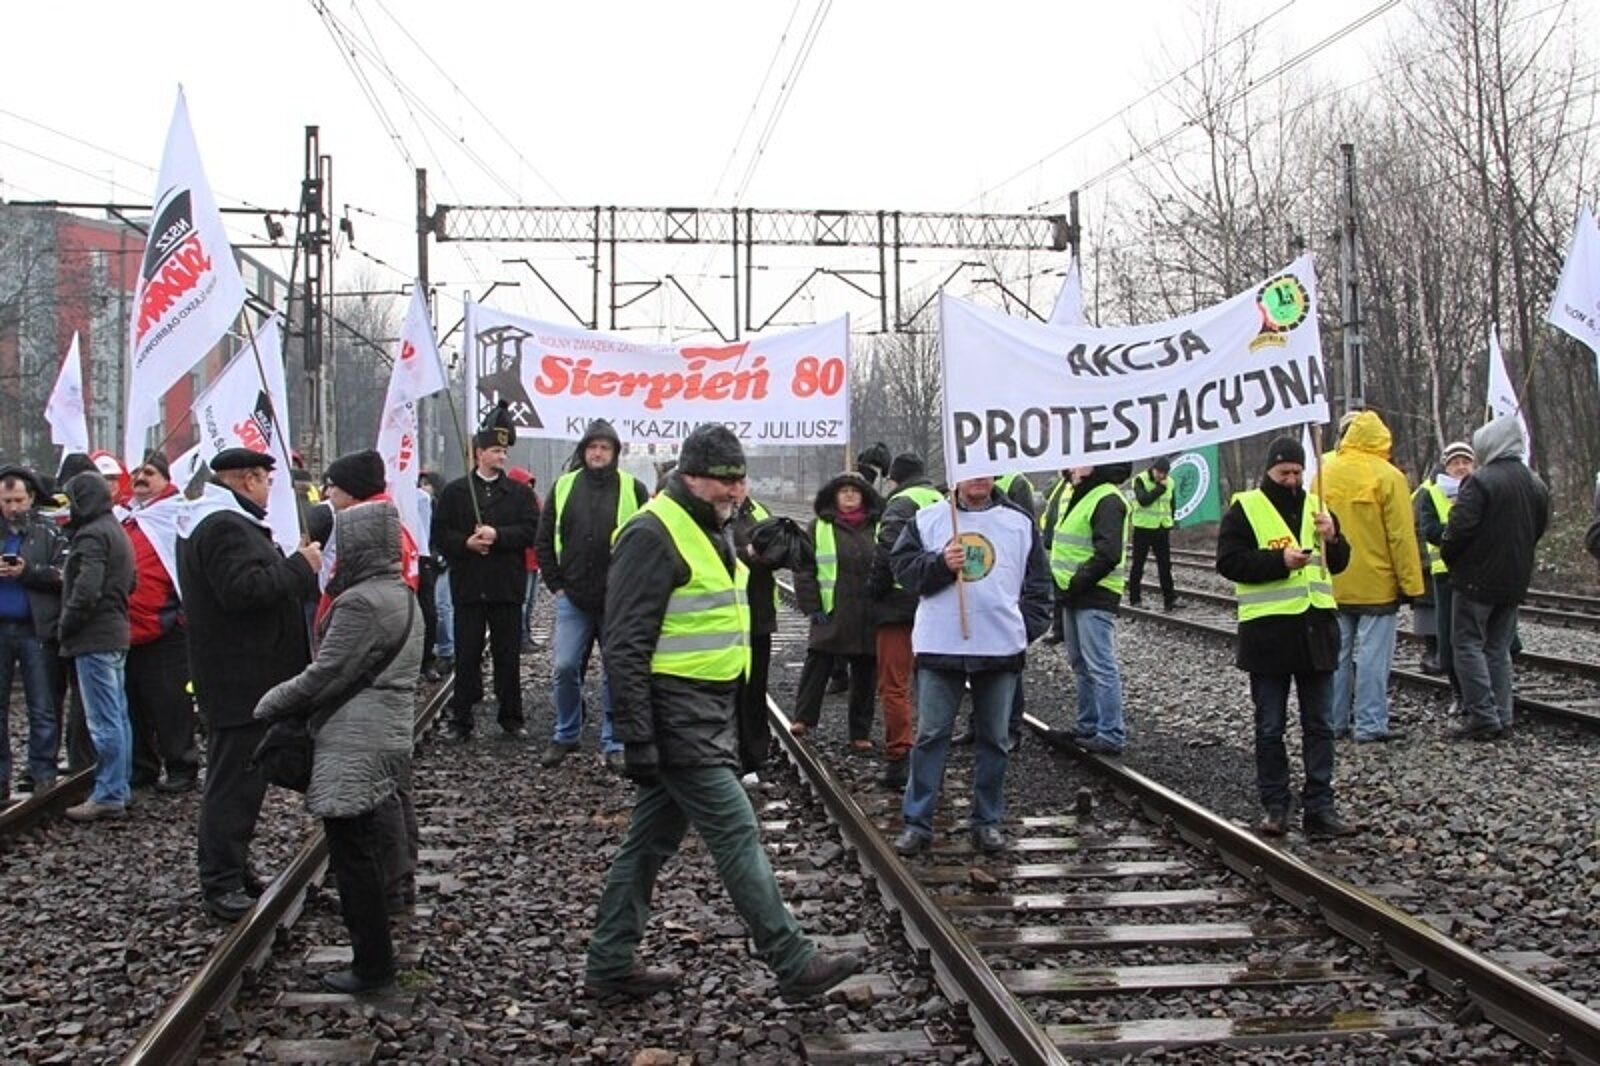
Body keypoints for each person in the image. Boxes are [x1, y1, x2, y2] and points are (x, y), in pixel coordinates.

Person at [587, 423, 861, 1000]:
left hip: (707, 712)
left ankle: (609, 962)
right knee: (737, 830)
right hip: (675, 715)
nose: (736, 490)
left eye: (741, 478)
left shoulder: (711, 526)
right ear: (690, 476)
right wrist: (637, 737)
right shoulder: (651, 532)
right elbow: (624, 643)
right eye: (725, 480)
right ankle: (792, 960)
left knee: (648, 844)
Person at [254, 495, 421, 993]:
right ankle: (375, 959)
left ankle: (372, 967)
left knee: (353, 854)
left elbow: (326, 673)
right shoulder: (400, 594)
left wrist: (270, 702)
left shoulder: (361, 602)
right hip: (382, 729)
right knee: (364, 843)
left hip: (354, 736)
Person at [179, 447, 322, 921]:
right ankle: (220, 881)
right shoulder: (224, 527)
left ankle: (233, 868)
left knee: (244, 780)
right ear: (247, 479)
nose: (268, 491)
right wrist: (299, 566)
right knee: (232, 783)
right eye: (265, 481)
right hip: (240, 679)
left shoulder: (224, 523)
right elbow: (244, 592)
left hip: (244, 677)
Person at [888, 474, 1051, 855]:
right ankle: (917, 822)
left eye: (984, 471)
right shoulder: (928, 520)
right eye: (970, 472)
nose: (978, 479)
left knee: (994, 739)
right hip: (940, 646)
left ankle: (987, 821)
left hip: (999, 649)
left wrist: (1022, 629)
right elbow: (904, 571)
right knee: (931, 736)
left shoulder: (1019, 523)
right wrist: (940, 564)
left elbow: (1039, 587)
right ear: (956, 477)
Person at [1215, 435, 1356, 838]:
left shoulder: (1318, 507)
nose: (1292, 480)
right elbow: (1229, 562)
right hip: (1268, 636)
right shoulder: (1246, 508)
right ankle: (1276, 806)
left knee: (1320, 725)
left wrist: (1334, 538)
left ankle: (1320, 807)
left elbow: (1339, 563)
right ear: (1269, 471)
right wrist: (1279, 561)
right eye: (1284, 473)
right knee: (1269, 727)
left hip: (1316, 633)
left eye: (1297, 472)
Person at [534, 418, 648, 769]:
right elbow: (544, 539)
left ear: (615, 453)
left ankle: (614, 741)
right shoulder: (564, 486)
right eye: (593, 447)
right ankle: (566, 733)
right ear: (584, 451)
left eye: (604, 448)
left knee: (616, 670)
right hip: (574, 597)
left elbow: (649, 540)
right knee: (565, 666)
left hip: (617, 600)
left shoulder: (634, 488)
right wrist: (556, 584)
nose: (598, 453)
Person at [432, 404, 540, 742]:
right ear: (479, 453)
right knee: (467, 655)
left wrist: (498, 535)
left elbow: (531, 531)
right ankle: (461, 720)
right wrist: (465, 543)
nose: (501, 457)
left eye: (504, 451)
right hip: (469, 584)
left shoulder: (520, 493)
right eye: (495, 450)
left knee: (508, 656)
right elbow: (441, 533)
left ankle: (511, 717)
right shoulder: (455, 492)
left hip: (505, 585)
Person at [1318, 410, 1424, 743]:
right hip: (1378, 585)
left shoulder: (1323, 471)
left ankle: (1332, 722)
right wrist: (1411, 585)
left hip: (1333, 582)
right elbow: (1401, 536)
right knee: (1373, 660)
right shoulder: (1389, 477)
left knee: (1335, 657)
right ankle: (1370, 724)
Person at [1442, 415, 1549, 740]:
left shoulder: (1479, 481)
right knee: (1498, 648)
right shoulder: (1535, 483)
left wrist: (1452, 557)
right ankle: (1503, 714)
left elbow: (1459, 529)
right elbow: (1539, 527)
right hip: (1515, 578)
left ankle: (1483, 716)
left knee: (1467, 645)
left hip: (1476, 578)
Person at [58, 470, 137, 821]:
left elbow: (87, 589)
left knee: (104, 721)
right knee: (118, 716)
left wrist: (67, 623)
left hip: (94, 636)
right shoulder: (116, 530)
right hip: (116, 631)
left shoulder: (91, 535)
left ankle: (109, 792)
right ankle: (119, 786)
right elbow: (131, 582)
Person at [123, 451, 199, 793]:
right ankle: (142, 767)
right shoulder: (125, 516)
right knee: (133, 703)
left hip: (165, 626)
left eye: (150, 472)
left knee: (170, 703)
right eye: (137, 472)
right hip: (127, 628)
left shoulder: (177, 514)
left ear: (166, 479)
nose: (141, 478)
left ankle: (181, 765)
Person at [789, 471, 884, 748]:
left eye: (855, 491)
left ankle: (860, 733)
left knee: (865, 672)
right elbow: (803, 568)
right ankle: (803, 718)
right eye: (844, 491)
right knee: (817, 663)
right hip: (832, 611)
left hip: (867, 613)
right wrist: (812, 605)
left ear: (865, 496)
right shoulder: (819, 527)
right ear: (833, 497)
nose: (850, 495)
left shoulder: (878, 527)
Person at [867, 452, 942, 789]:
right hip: (936, 602)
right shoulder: (940, 499)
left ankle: (900, 758)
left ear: (894, 479)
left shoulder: (900, 502)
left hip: (899, 605)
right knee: (933, 683)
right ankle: (931, 756)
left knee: (894, 685)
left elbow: (888, 550)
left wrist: (875, 590)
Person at [1051, 462, 1132, 754]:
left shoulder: (1106, 498)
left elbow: (1108, 553)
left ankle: (1110, 733)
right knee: (1081, 663)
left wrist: (1077, 582)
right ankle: (1088, 725)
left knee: (1099, 666)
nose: (1072, 465)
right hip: (1074, 592)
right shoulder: (1083, 492)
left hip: (1093, 593)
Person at [0, 465, 65, 802]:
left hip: (35, 629)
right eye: (6, 501)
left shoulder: (49, 531)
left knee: (42, 705)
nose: (13, 507)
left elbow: (64, 574)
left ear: (31, 498)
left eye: (18, 500)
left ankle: (43, 773)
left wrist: (29, 572)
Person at [1412, 442, 1475, 702]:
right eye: (1455, 462)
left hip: (1477, 574)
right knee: (1449, 637)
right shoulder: (1431, 492)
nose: (1461, 467)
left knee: (1478, 637)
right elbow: (1429, 530)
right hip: (1444, 575)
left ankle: (1480, 694)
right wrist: (1458, 535)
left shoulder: (1483, 488)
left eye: (1465, 462)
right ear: (1446, 466)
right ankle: (1459, 692)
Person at [728, 479, 780, 785]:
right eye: (731, 482)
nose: (736, 488)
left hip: (758, 614)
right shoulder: (710, 514)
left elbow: (776, 552)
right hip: (725, 617)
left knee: (755, 689)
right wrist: (746, 553)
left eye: (741, 482)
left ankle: (755, 756)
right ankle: (730, 753)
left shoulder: (760, 512)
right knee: (728, 689)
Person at [1127, 457, 1178, 610]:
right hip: (1143, 528)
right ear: (1153, 469)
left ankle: (1170, 600)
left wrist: (1171, 521)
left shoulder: (1170, 482)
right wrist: (1160, 489)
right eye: (1159, 473)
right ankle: (1135, 599)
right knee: (1138, 565)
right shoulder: (1140, 480)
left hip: (1162, 529)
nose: (1161, 476)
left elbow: (1172, 504)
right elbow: (1143, 500)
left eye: (1164, 474)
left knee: (1165, 566)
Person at [504, 466, 544, 651]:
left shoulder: (533, 502)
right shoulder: (516, 505)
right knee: (524, 601)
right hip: (523, 560)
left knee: (530, 601)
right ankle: (520, 638)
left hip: (533, 559)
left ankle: (525, 635)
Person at [418, 471, 453, 678]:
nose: (423, 487)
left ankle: (446, 650)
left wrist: (439, 555)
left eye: (427, 483)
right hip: (424, 564)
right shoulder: (417, 504)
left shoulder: (440, 506)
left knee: (441, 607)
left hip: (439, 562)